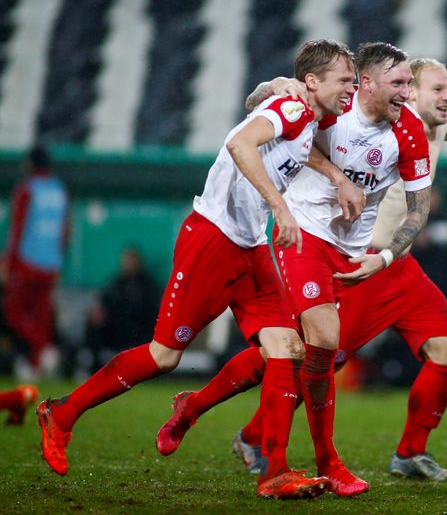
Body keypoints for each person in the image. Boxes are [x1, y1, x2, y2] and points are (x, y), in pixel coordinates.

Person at [155, 54, 447, 481]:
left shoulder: (430, 130)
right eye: (437, 89)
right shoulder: (350, 116)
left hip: (394, 264)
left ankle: (409, 453)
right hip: (347, 261)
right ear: (406, 90)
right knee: (304, 356)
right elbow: (298, 129)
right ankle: (217, 417)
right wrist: (277, 84)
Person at [36, 39, 357, 501]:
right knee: (164, 356)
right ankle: (61, 414)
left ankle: (275, 471)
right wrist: (280, 208)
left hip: (249, 245)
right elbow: (240, 142)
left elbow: (262, 114)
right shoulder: (293, 108)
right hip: (213, 240)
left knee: (285, 346)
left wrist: (333, 173)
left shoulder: (307, 111)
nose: (349, 88)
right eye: (344, 80)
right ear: (313, 81)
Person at [3, 146, 69, 378]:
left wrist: (8, 264)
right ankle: (38, 361)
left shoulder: (26, 189)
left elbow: (17, 228)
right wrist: (60, 260)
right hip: (51, 264)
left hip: (27, 260)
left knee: (14, 312)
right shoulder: (60, 190)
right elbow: (65, 230)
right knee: (41, 313)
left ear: (30, 164)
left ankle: (43, 350)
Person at [84, 247, 161, 373]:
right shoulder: (116, 283)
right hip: (116, 329)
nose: (127, 263)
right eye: (125, 260)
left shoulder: (147, 285)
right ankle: (95, 368)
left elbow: (152, 310)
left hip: (139, 330)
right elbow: (104, 303)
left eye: (131, 260)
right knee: (94, 325)